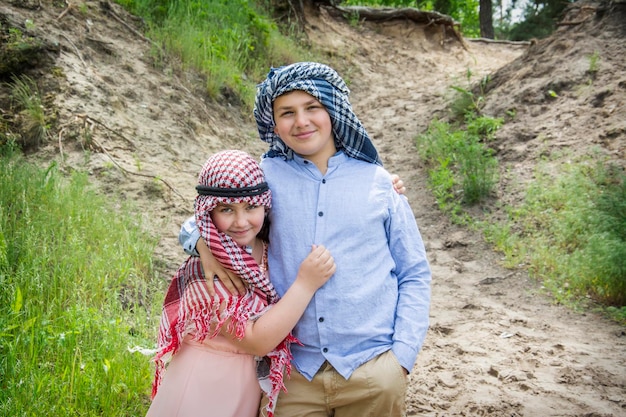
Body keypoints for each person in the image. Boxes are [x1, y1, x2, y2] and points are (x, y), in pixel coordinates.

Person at [179, 62, 432, 417]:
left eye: (312, 107)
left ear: (333, 109)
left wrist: (402, 357)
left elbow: (414, 273)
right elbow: (204, 220)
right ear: (274, 122)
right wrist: (203, 244)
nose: (301, 121)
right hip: (292, 374)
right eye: (287, 112)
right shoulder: (265, 177)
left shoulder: (377, 182)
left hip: (373, 369)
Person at [147, 149, 336, 417]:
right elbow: (257, 341)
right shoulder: (207, 269)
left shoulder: (268, 248)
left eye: (251, 207)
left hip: (243, 390)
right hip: (202, 389)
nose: (241, 221)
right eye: (226, 210)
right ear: (208, 213)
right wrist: (306, 284)